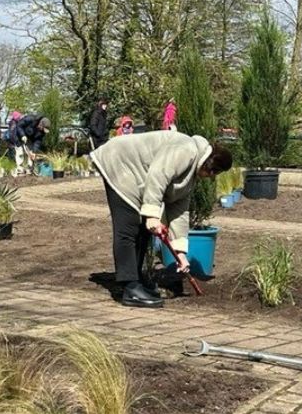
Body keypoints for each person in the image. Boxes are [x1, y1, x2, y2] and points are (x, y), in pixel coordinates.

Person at [91, 131, 233, 308]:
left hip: (137, 175)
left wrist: (181, 253)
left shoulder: (191, 175)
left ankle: (135, 280)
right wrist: (151, 215)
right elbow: (158, 175)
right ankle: (130, 288)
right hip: (119, 162)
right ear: (210, 166)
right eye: (215, 173)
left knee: (143, 230)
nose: (212, 178)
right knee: (128, 228)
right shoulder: (187, 150)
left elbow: (180, 212)